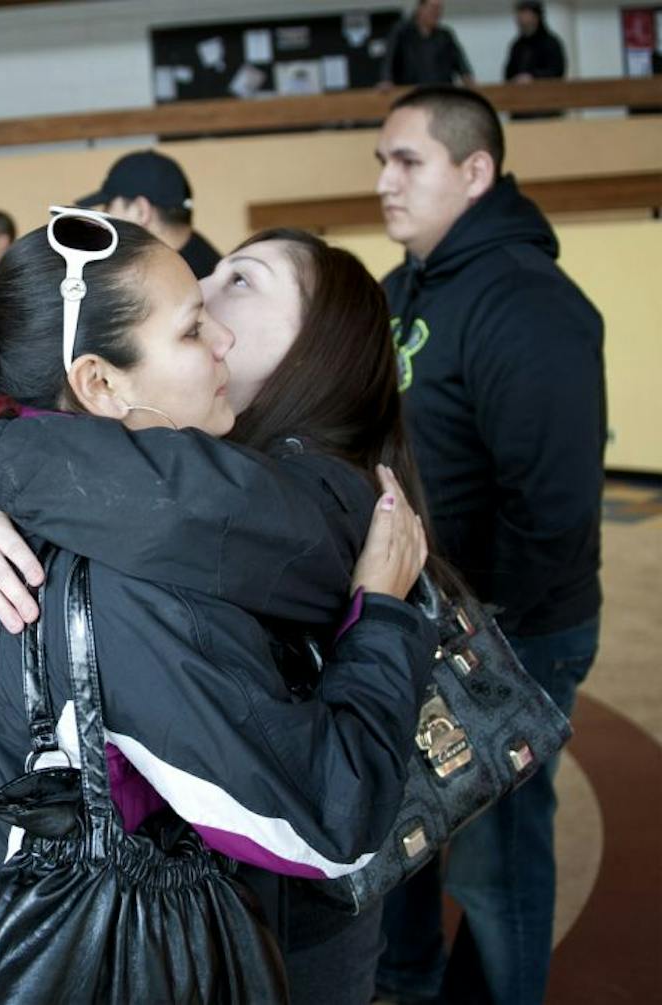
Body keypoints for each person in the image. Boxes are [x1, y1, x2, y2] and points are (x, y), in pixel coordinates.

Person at [0, 210, 437, 1003]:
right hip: (2, 963)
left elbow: (192, 502)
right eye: (191, 325)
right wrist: (383, 617)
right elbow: (329, 818)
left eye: (238, 285)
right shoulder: (119, 565)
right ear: (99, 382)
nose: (215, 324)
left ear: (319, 350)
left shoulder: (100, 504)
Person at [372, 85, 605, 1005]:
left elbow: (550, 504)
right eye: (381, 162)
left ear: (476, 172)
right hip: (428, 617)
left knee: (498, 865)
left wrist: (483, 636)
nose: (386, 182)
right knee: (410, 836)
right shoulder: (402, 289)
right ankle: (412, 984)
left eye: (408, 162)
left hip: (512, 630)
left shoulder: (529, 301)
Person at [77, 148, 222, 279]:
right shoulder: (211, 270)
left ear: (141, 211)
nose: (105, 218)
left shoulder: (172, 288)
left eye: (108, 207)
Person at [379, 0, 474, 87]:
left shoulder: (445, 35)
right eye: (433, 8)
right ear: (420, 8)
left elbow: (460, 62)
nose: (436, 12)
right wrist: (386, 79)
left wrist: (467, 77)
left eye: (439, 9)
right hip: (411, 90)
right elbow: (388, 59)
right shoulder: (402, 33)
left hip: (441, 90)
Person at [505, 0, 566, 120]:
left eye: (524, 14)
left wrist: (532, 78)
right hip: (520, 109)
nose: (520, 19)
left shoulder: (551, 42)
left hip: (546, 108)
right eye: (519, 15)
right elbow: (508, 73)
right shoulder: (517, 45)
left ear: (536, 17)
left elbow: (557, 71)